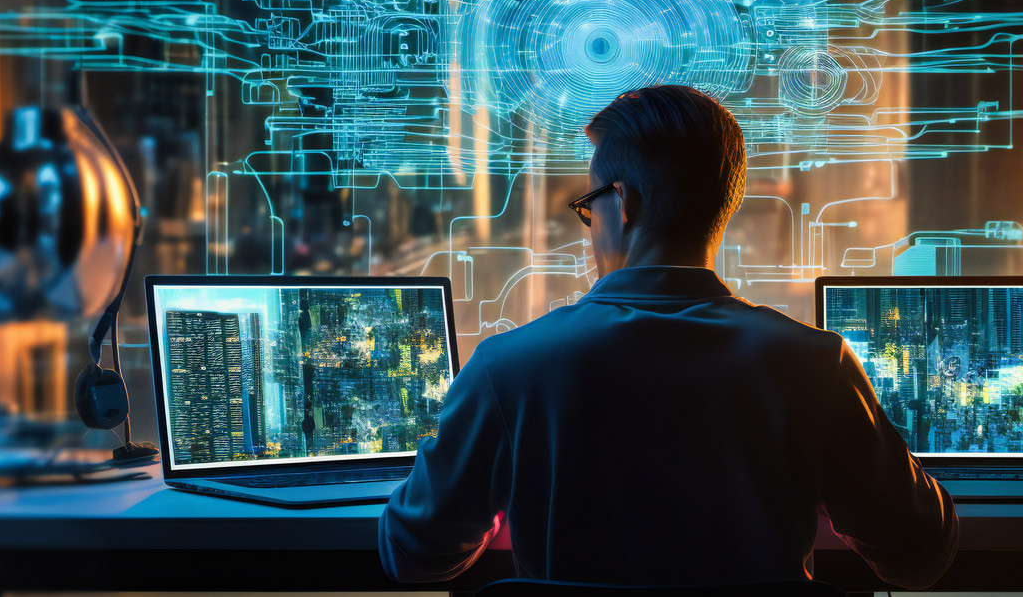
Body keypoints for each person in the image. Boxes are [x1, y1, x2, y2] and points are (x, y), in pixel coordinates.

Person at [378, 85, 958, 588]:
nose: (589, 226)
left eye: (589, 205)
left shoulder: (508, 367)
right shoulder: (814, 364)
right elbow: (918, 557)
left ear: (621, 204)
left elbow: (414, 555)